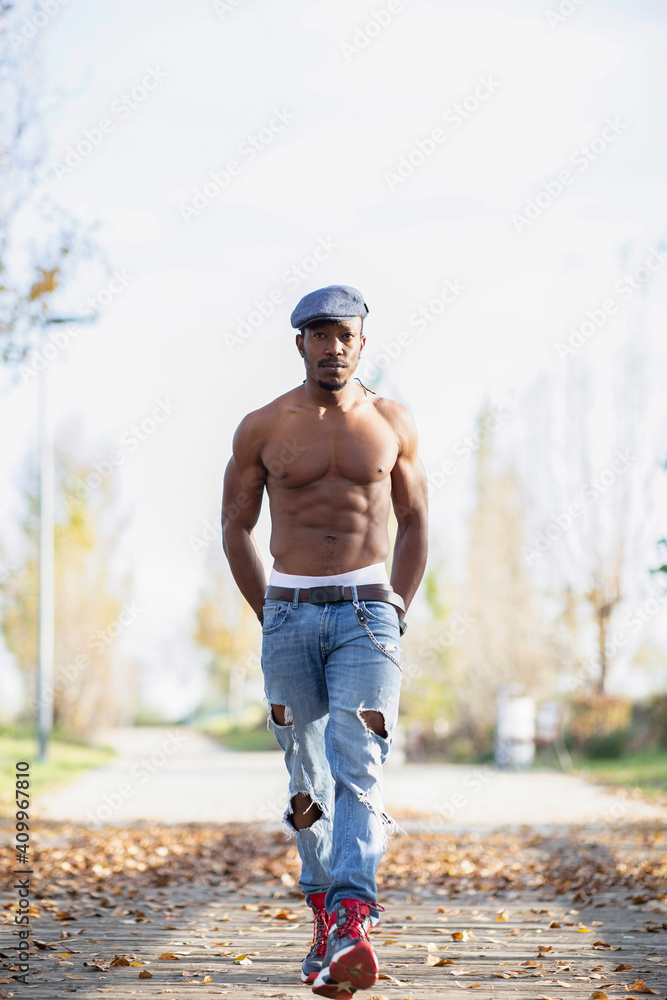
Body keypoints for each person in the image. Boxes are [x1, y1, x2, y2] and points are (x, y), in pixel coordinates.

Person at [221, 284, 428, 998]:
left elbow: (416, 522)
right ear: (299, 342)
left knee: (359, 764)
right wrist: (267, 612)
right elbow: (234, 527)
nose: (332, 346)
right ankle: (322, 913)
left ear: (362, 340)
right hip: (289, 613)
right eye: (318, 334)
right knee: (305, 778)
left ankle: (351, 915)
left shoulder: (391, 422)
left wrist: (396, 607)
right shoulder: (263, 427)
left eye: (344, 334)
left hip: (367, 616)